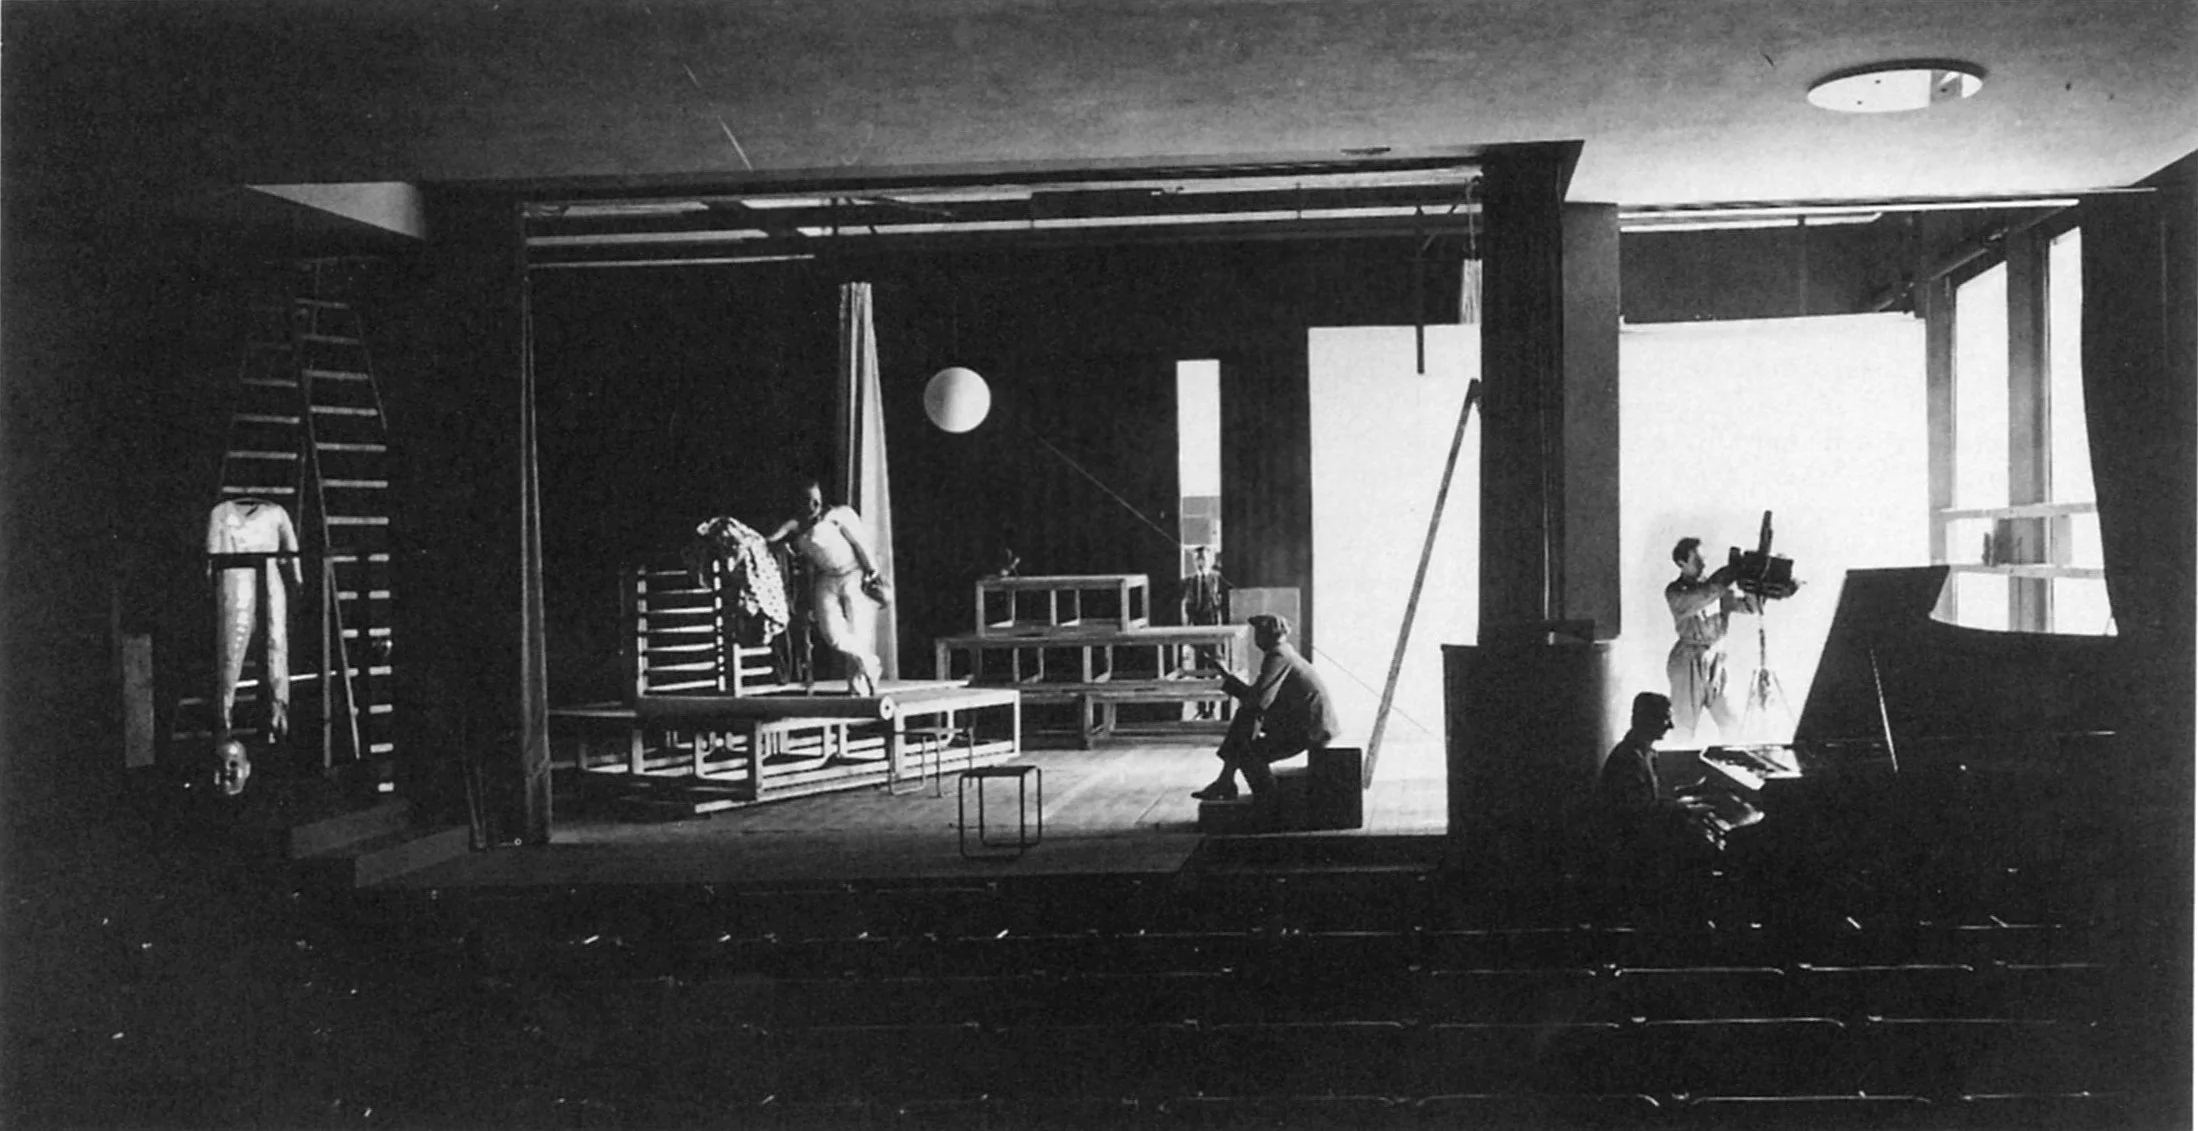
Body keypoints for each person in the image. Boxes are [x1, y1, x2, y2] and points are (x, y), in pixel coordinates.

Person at [1597, 692, 1762, 865]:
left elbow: (1650, 803)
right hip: (1631, 847)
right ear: (1647, 719)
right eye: (1665, 718)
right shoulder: (1630, 758)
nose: (1671, 726)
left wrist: (1690, 798)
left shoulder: (1642, 751)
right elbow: (1639, 814)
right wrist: (1688, 809)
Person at [1190, 614, 1341, 801]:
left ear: (1267, 635)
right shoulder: (1284, 652)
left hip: (1310, 729)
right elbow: (1259, 699)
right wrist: (1226, 674)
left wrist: (1227, 676)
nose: (1255, 638)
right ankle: (1226, 781)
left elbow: (1259, 700)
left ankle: (1268, 802)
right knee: (1246, 718)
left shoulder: (1278, 656)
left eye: (1258, 633)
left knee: (1247, 750)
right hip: (1305, 723)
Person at [767, 478, 888, 697]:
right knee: (833, 635)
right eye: (807, 501)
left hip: (854, 573)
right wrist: (781, 545)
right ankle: (869, 660)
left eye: (816, 500)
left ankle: (858, 691)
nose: (813, 506)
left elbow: (859, 542)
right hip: (827, 579)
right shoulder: (795, 525)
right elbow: (769, 539)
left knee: (859, 631)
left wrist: (872, 573)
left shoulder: (837, 515)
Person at [1664, 536, 1758, 742]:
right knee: (1683, 726)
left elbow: (1751, 607)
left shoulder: (1717, 589)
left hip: (1716, 659)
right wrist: (1731, 572)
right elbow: (1704, 595)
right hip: (1688, 661)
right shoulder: (1676, 592)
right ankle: (1678, 769)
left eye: (1704, 559)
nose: (1703, 564)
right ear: (1681, 564)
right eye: (1697, 560)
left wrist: (1752, 583)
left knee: (1731, 721)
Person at [1177, 545, 1231, 716]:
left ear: (1211, 560)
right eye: (1198, 559)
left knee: (1216, 670)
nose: (1201, 562)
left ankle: (1214, 708)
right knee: (1199, 670)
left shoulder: (1218, 580)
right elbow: (1187, 607)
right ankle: (1202, 709)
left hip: (1214, 630)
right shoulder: (1189, 581)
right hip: (1197, 631)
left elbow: (1224, 605)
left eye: (1204, 559)